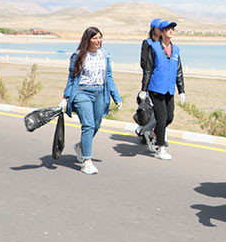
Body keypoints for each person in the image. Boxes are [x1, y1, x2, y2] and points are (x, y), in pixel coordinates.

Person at [60, 27, 122, 175]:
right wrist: (65, 97)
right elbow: (72, 78)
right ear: (87, 40)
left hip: (100, 92)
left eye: (100, 37)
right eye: (95, 38)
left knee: (97, 124)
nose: (98, 41)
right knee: (88, 125)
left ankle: (81, 146)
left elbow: (108, 77)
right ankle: (87, 161)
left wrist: (116, 96)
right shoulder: (78, 55)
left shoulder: (104, 55)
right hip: (82, 92)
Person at [139, 20, 184, 161]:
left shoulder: (176, 50)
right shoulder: (153, 48)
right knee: (161, 118)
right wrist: (144, 89)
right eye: (168, 29)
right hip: (156, 88)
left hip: (169, 89)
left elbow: (179, 71)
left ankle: (153, 133)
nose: (171, 31)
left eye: (173, 29)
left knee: (169, 117)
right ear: (162, 32)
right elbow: (147, 69)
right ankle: (160, 148)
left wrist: (181, 90)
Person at [136, 18, 162, 146]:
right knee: (150, 108)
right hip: (150, 81)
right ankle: (143, 131)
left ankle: (152, 133)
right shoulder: (147, 43)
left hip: (161, 81)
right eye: (159, 28)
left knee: (160, 111)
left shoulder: (164, 44)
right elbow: (144, 62)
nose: (162, 30)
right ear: (153, 29)